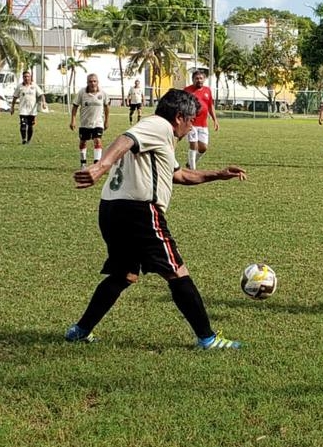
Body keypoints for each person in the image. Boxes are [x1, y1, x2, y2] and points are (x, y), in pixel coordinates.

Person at [64, 88, 247, 350]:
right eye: (191, 120)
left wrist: (218, 174)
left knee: (124, 274)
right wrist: (100, 166)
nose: (192, 126)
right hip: (139, 211)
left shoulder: (161, 137)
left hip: (112, 209)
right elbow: (125, 139)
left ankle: (80, 331)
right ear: (179, 117)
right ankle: (208, 338)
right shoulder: (157, 125)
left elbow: (180, 175)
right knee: (176, 271)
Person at [70, 73, 109, 167]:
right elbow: (75, 106)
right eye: (90, 81)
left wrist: (107, 120)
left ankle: (97, 164)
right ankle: (83, 163)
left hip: (98, 123)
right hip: (85, 123)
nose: (92, 83)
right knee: (83, 141)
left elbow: (106, 107)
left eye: (94, 81)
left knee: (97, 140)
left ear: (97, 82)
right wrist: (73, 120)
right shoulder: (82, 93)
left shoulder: (103, 93)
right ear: (87, 82)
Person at [183, 68, 218, 169]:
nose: (199, 80)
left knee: (203, 148)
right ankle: (193, 170)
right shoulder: (187, 90)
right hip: (191, 122)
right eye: (196, 78)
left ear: (204, 79)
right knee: (193, 145)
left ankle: (190, 164)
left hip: (203, 124)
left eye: (201, 78)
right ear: (193, 79)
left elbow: (210, 105)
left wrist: (215, 119)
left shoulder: (207, 90)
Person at [11, 69, 46, 144]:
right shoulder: (20, 86)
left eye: (28, 76)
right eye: (25, 77)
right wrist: (12, 107)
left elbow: (41, 94)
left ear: (30, 77)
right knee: (23, 124)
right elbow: (14, 97)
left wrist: (44, 103)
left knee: (30, 126)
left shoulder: (34, 85)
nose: (26, 78)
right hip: (23, 110)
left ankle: (28, 140)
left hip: (32, 110)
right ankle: (24, 139)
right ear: (23, 78)